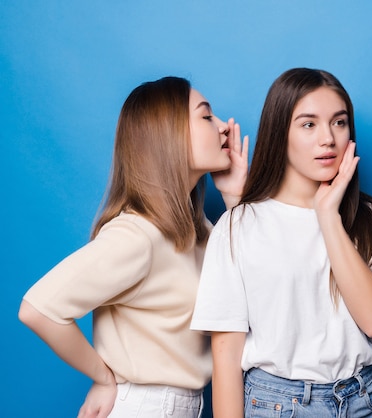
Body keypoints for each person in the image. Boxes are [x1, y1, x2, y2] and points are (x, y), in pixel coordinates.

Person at [18, 76, 248, 418]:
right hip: (145, 407)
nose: (224, 128)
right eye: (206, 116)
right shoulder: (138, 234)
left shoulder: (198, 228)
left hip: (183, 406)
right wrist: (102, 378)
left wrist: (235, 198)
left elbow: (251, 284)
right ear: (168, 135)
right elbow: (37, 309)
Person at [190, 67, 372, 417]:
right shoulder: (238, 226)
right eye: (309, 124)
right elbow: (226, 358)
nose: (328, 139)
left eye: (339, 122)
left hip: (362, 400)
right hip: (277, 404)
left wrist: (328, 218)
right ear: (280, 135)